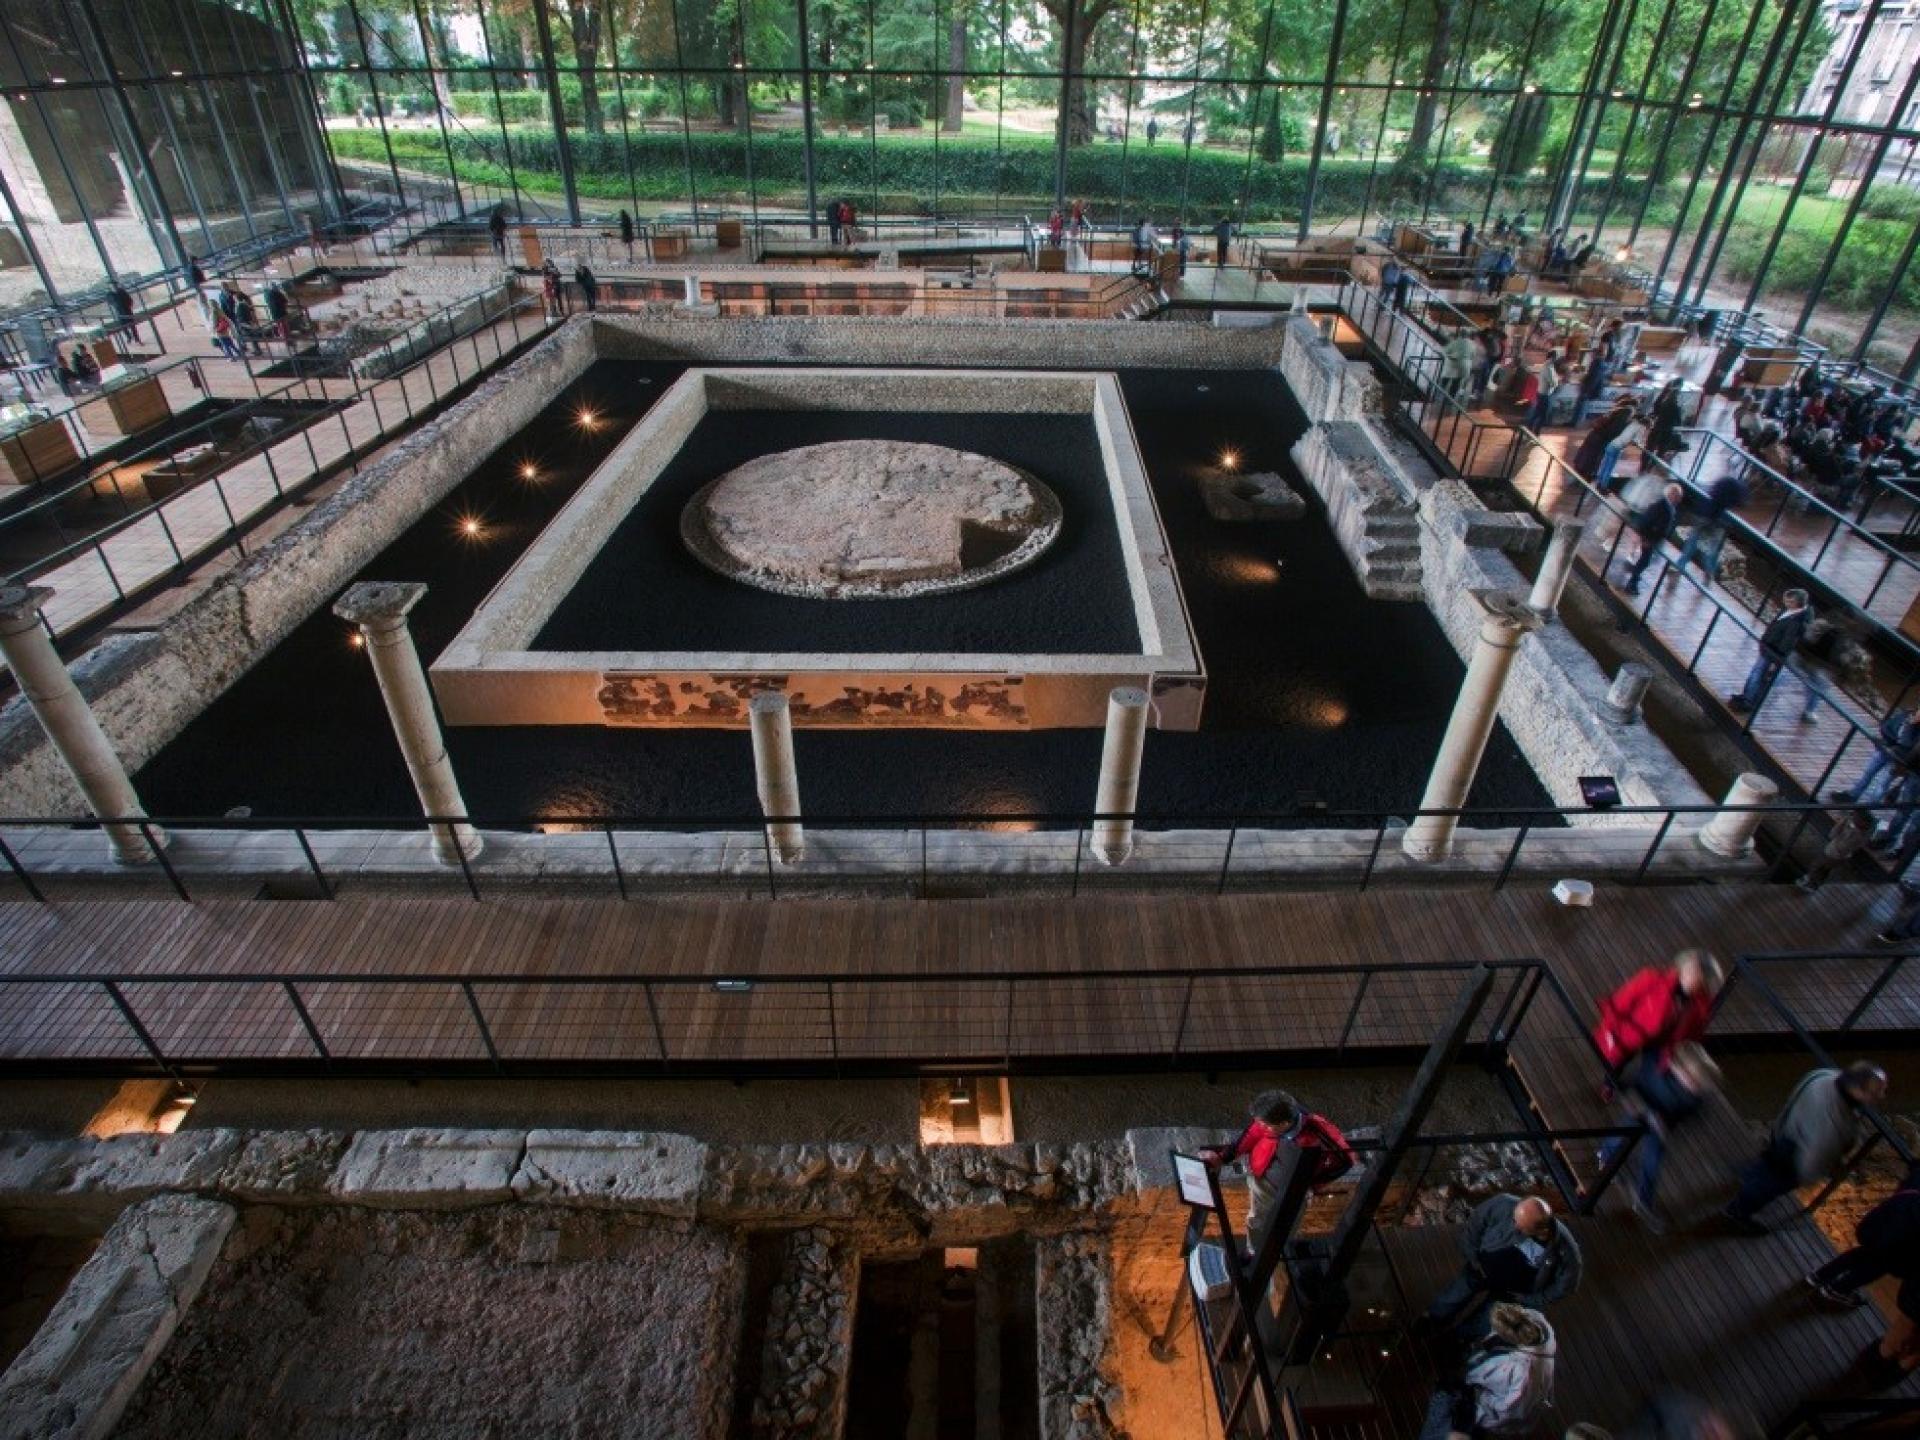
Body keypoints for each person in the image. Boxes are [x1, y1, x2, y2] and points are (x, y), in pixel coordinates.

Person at [1722, 1060, 1889, 1234]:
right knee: (1768, 1187)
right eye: (1876, 1092)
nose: (1882, 1095)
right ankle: (1736, 1212)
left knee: (1766, 1166)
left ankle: (1748, 1178)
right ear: (1858, 1090)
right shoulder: (1835, 1122)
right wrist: (1808, 1177)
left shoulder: (1824, 1076)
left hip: (1785, 1134)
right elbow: (1815, 1158)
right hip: (1794, 1158)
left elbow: (1795, 1097)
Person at [1597, 1041, 1721, 1231]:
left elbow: (1688, 1116)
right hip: (1640, 1113)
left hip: (1660, 1127)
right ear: (1678, 1068)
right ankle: (1605, 1157)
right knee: (1619, 1137)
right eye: (1692, 1080)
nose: (1695, 1086)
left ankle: (1643, 1201)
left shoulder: (1696, 1098)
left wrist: (1665, 1126)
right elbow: (1630, 1087)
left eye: (1699, 1084)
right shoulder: (1655, 1072)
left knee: (1652, 1163)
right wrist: (1644, 1110)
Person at [1197, 1089, 1354, 1237]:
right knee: (1256, 1220)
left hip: (1294, 1190)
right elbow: (1249, 1137)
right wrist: (1222, 1158)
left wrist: (1310, 1184)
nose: (1260, 1126)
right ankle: (1253, 1252)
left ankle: (1275, 1253)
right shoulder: (1267, 1120)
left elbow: (1344, 1161)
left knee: (1286, 1225)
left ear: (1285, 1123)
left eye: (1265, 1125)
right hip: (1262, 1180)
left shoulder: (1317, 1131)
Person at [1424, 1194, 1583, 1337]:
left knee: (1484, 1321)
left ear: (1540, 1229)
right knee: (1454, 1296)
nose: (1514, 1227)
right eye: (1515, 1220)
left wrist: (1532, 1299)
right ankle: (1431, 1321)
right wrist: (1472, 1256)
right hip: (1482, 1267)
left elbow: (1566, 1285)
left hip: (1513, 1292)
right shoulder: (1503, 1204)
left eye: (1521, 1227)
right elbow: (1476, 1222)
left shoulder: (1566, 1250)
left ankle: (1457, 1341)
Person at [1417, 1304, 1556, 1440]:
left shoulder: (1522, 1372)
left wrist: (1478, 1399)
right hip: (1480, 1391)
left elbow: (1510, 1409)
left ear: (1509, 1338)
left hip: (1482, 1409)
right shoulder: (1534, 1320)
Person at [1805, 1159, 1920, 1308]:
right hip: (1900, 1240)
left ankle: (1819, 1276)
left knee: (1862, 1254)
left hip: (1885, 1221)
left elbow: (1914, 1166)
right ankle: (1835, 1290)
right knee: (1875, 1267)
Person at [1593, 949, 1722, 1079]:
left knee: (1645, 1070)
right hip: (1631, 1034)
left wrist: (1672, 1053)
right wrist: (1609, 1030)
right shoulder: (1651, 979)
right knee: (1620, 1061)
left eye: (1697, 974)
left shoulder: (1699, 1007)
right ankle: (1610, 1082)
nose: (1691, 975)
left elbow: (1693, 1032)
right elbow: (1620, 1004)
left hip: (1660, 1044)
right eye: (1690, 969)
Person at [1727, 587, 1813, 716]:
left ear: (1796, 603)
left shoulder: (1797, 622)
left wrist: (1776, 658)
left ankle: (1748, 701)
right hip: (1768, 648)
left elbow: (1787, 642)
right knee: (1756, 674)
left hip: (1773, 652)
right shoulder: (1791, 612)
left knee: (1758, 675)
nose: (1786, 603)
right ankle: (1746, 696)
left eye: (1789, 602)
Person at [1831, 702, 1920, 804]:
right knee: (1868, 772)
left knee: (1883, 782)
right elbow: (1887, 726)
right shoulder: (1908, 713)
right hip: (1886, 748)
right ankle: (1852, 795)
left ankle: (1868, 808)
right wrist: (1886, 740)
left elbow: (1907, 745)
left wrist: (1911, 725)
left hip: (1899, 758)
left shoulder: (1913, 725)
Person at [1670, 468, 1747, 583]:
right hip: (1719, 521)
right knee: (1713, 549)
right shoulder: (1738, 490)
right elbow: (1740, 503)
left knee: (1692, 542)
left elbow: (1711, 495)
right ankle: (1709, 572)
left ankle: (1680, 565)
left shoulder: (1722, 483)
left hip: (1705, 515)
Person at [1797, 807, 1871, 891]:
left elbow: (1834, 837)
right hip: (1838, 854)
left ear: (1862, 821)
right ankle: (1813, 884)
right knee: (1823, 869)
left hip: (1834, 853)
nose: (1853, 817)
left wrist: (1844, 824)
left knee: (1817, 866)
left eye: (1855, 816)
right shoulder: (1859, 833)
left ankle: (1810, 883)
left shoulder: (1856, 834)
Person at [1594, 410, 1646, 493]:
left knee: (1605, 465)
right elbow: (1636, 441)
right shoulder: (1640, 428)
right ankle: (1603, 487)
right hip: (1617, 447)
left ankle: (1599, 483)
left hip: (1612, 443)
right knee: (1609, 468)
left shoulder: (1631, 424)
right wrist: (1641, 445)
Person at [1525, 350, 1562, 432]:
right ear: (1553, 358)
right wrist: (1558, 379)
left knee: (1537, 412)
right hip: (1546, 395)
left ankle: (1530, 428)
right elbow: (1553, 383)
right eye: (1556, 358)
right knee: (1542, 415)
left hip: (1541, 392)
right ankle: (1535, 432)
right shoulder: (1549, 367)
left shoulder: (1546, 366)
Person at [1442, 328, 1477, 403]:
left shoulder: (1455, 342)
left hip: (1454, 363)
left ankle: (1441, 391)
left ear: (1460, 334)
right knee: (1456, 382)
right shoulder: (1473, 344)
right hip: (1466, 365)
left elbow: (1446, 351)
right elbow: (1473, 355)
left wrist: (1450, 355)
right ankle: (1450, 399)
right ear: (1468, 335)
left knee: (1446, 378)